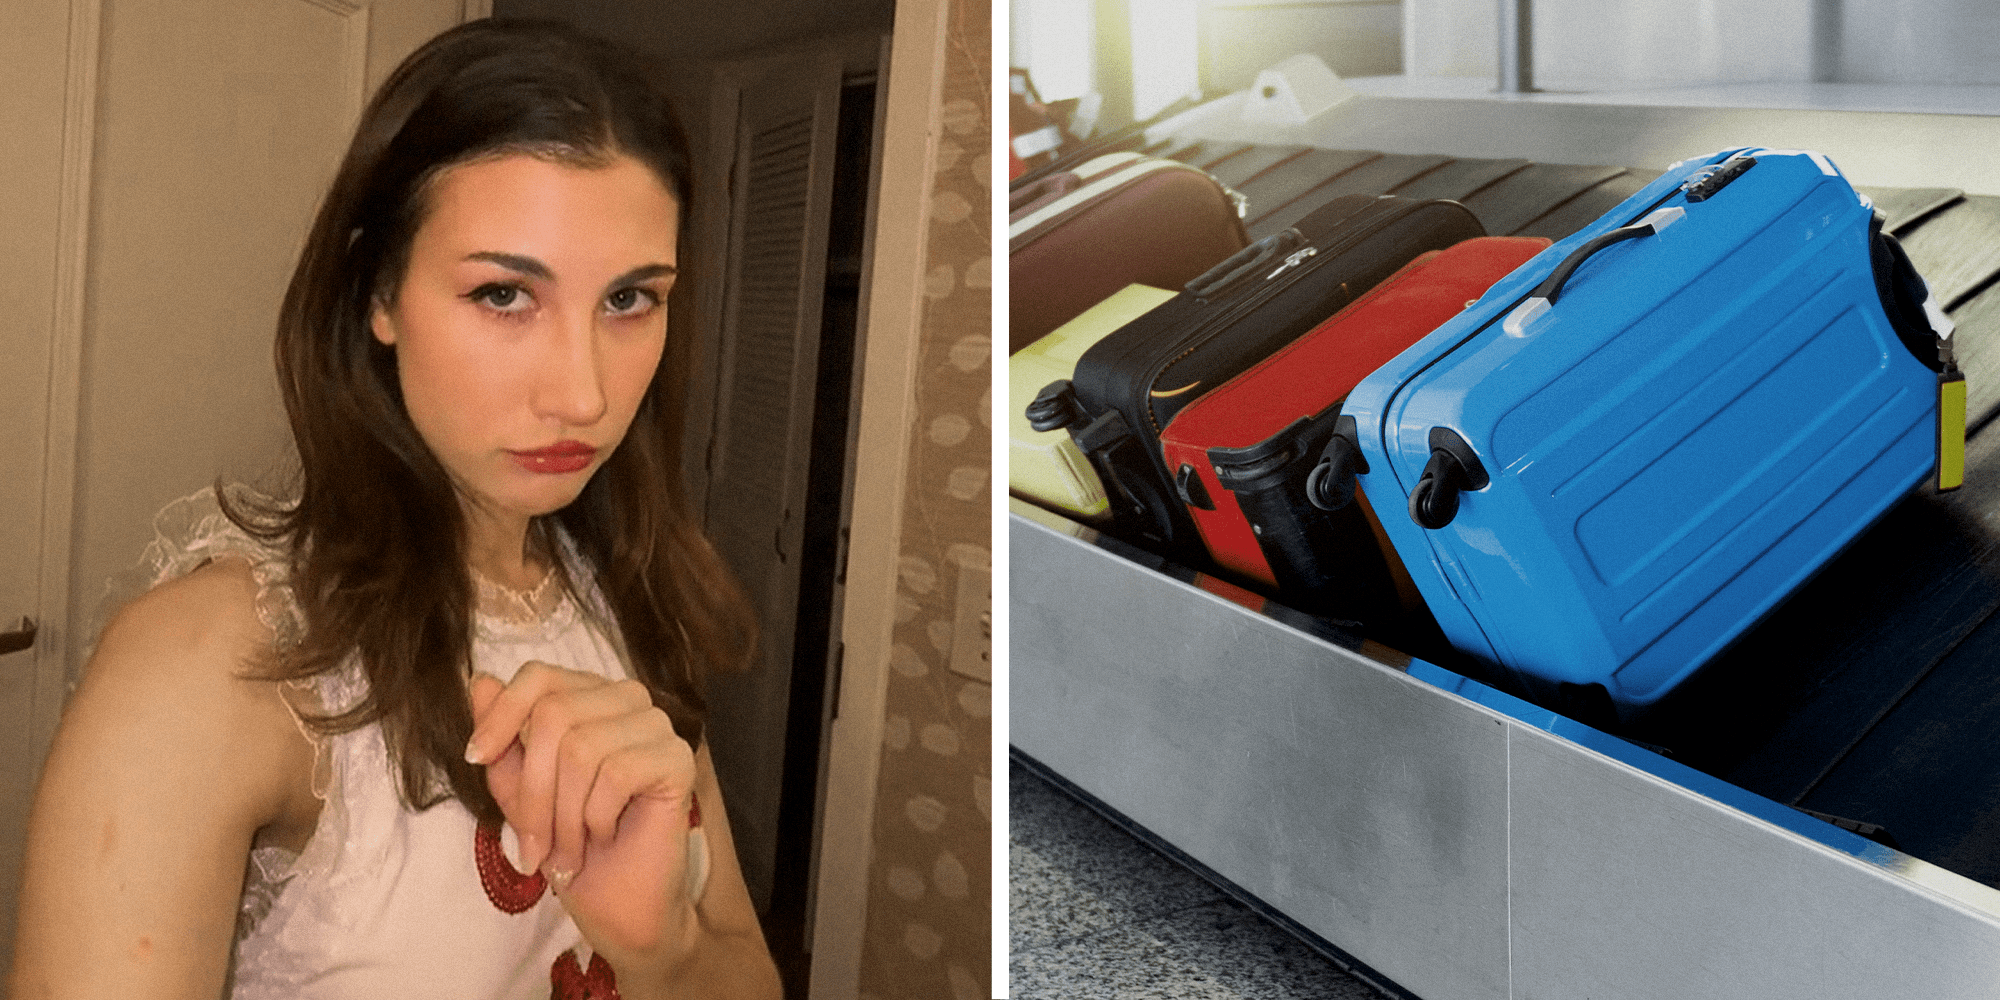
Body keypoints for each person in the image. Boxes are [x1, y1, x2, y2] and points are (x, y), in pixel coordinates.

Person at [9, 19, 783, 1000]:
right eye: (504, 294)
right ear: (379, 287)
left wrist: (659, 951)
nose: (584, 394)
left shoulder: (635, 598)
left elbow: (744, 973)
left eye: (629, 299)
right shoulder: (216, 667)